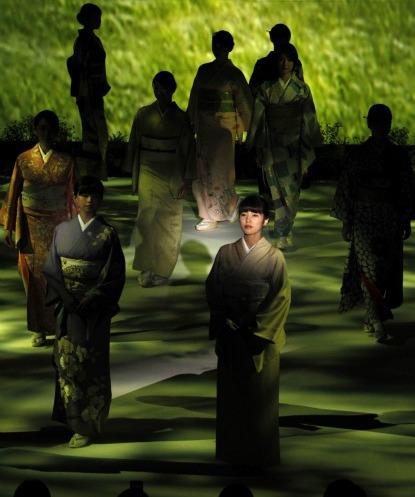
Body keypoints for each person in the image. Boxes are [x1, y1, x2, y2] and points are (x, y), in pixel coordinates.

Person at [206, 195, 291, 467]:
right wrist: (223, 319)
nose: (248, 220)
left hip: (258, 337)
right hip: (230, 332)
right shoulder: (226, 253)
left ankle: (260, 457)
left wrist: (256, 327)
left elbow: (281, 297)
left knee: (259, 399)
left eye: (255, 214)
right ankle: (231, 454)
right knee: (231, 399)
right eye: (244, 214)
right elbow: (213, 288)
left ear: (265, 220)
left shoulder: (275, 257)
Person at [43, 176, 125, 448]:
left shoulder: (107, 234)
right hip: (68, 307)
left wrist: (92, 296)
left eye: (95, 196)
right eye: (84, 195)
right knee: (66, 363)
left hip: (94, 310)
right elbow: (52, 267)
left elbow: (113, 275)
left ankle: (87, 425)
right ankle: (70, 418)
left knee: (91, 364)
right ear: (75, 198)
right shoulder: (62, 230)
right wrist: (66, 297)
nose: (89, 201)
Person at [331, 104, 413, 342]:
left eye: (383, 122)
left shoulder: (396, 155)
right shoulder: (360, 155)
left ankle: (372, 315)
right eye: (377, 122)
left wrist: (405, 217)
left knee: (385, 269)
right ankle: (377, 323)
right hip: (365, 218)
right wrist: (347, 221)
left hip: (388, 216)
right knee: (369, 269)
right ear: (372, 125)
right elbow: (347, 187)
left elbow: (406, 188)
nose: (380, 127)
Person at [0, 110, 75, 347]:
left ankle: (60, 325)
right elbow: (13, 194)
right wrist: (9, 226)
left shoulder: (66, 161)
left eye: (50, 128)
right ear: (35, 130)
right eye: (41, 128)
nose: (45, 132)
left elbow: (73, 196)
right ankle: (39, 329)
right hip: (30, 225)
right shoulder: (23, 160)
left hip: (58, 224)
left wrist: (76, 227)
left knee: (58, 276)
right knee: (32, 278)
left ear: (56, 131)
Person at [246, 43, 322, 250]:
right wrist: (254, 143)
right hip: (272, 146)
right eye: (281, 59)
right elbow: (258, 119)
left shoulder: (302, 89)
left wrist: (313, 143)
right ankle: (282, 233)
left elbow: (309, 118)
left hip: (294, 147)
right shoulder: (267, 89)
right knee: (276, 192)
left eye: (289, 59)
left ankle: (286, 230)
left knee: (291, 193)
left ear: (295, 63)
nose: (285, 64)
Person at [124, 71, 195, 287]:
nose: (160, 92)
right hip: (147, 169)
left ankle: (163, 269)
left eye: (164, 88)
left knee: (170, 221)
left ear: (172, 90)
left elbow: (188, 151)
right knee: (146, 219)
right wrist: (132, 172)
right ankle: (146, 266)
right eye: (157, 87)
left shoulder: (182, 118)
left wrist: (186, 179)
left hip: (172, 171)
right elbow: (134, 143)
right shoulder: (143, 114)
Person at [187, 30, 252, 231]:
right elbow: (195, 98)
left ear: (229, 48)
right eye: (216, 44)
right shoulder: (204, 70)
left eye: (222, 45)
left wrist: (241, 128)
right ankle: (216, 211)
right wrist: (191, 121)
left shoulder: (234, 74)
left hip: (224, 129)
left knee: (221, 171)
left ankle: (219, 212)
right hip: (206, 128)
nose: (218, 49)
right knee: (204, 170)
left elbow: (243, 102)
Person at [67, 2, 110, 180]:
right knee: (93, 132)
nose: (99, 20)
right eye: (97, 17)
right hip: (88, 92)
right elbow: (83, 67)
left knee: (96, 131)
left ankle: (96, 169)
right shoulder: (84, 40)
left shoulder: (89, 39)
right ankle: (91, 171)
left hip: (92, 91)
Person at [249, 23, 303, 95]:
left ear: (271, 38)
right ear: (289, 37)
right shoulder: (296, 63)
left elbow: (252, 91)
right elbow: (302, 91)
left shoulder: (261, 64)